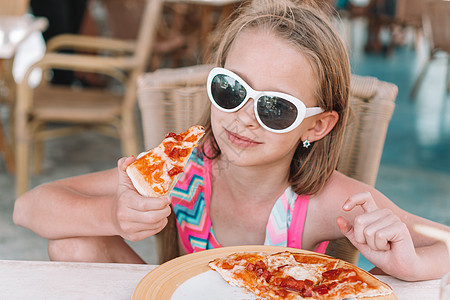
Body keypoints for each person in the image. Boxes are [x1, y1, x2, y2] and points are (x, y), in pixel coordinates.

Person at [13, 0, 449, 281]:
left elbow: (444, 244)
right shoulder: (180, 167)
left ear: (316, 126)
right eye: (231, 89)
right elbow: (28, 207)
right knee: (72, 243)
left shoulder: (329, 201)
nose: (242, 118)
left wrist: (409, 262)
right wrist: (114, 214)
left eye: (275, 107)